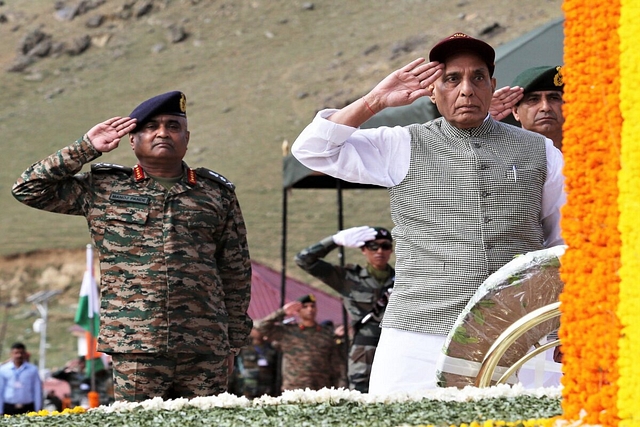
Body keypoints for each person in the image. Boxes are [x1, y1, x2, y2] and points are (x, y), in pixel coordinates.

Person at [291, 33, 565, 394]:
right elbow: (312, 150)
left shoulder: (539, 150)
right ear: (433, 92)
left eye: (477, 78)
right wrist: (375, 101)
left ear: (492, 85)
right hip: (417, 332)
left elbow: (559, 243)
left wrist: (559, 321)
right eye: (452, 79)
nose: (466, 89)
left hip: (517, 330)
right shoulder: (402, 143)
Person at [12, 91, 253, 402]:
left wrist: (232, 341)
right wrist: (86, 148)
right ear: (132, 139)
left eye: (173, 126)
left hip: (204, 345)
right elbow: (28, 188)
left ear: (187, 137)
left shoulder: (215, 194)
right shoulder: (104, 188)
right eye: (151, 126)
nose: (163, 133)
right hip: (136, 343)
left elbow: (235, 271)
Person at [294, 226, 395, 392]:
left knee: (396, 393)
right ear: (363, 249)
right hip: (364, 348)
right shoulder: (348, 277)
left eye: (385, 246)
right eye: (373, 246)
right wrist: (334, 241)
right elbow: (303, 260)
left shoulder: (401, 280)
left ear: (391, 250)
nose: (379, 251)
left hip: (394, 346)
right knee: (360, 396)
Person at [255, 294, 342, 391]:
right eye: (305, 307)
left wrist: (336, 387)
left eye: (313, 306)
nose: (310, 310)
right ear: (297, 311)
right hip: (295, 388)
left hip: (320, 388)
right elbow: (261, 326)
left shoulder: (326, 333)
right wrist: (282, 312)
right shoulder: (288, 331)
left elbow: (335, 363)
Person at [490, 65, 564, 150]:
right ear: (515, 112)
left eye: (554, 98)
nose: (545, 107)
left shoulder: (581, 150)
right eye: (533, 99)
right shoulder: (500, 154)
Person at [229, 328, 278, 399]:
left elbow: (275, 367)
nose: (258, 332)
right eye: (256, 330)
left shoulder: (270, 347)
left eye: (260, 330)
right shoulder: (244, 346)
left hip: (265, 384)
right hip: (247, 384)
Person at [0, 342, 43, 415]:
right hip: (8, 408)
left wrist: (38, 409)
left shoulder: (32, 369)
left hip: (28, 407)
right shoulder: (3, 369)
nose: (19, 355)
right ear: (11, 354)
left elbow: (37, 390)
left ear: (24, 354)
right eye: (16, 353)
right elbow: (1, 390)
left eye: (21, 353)